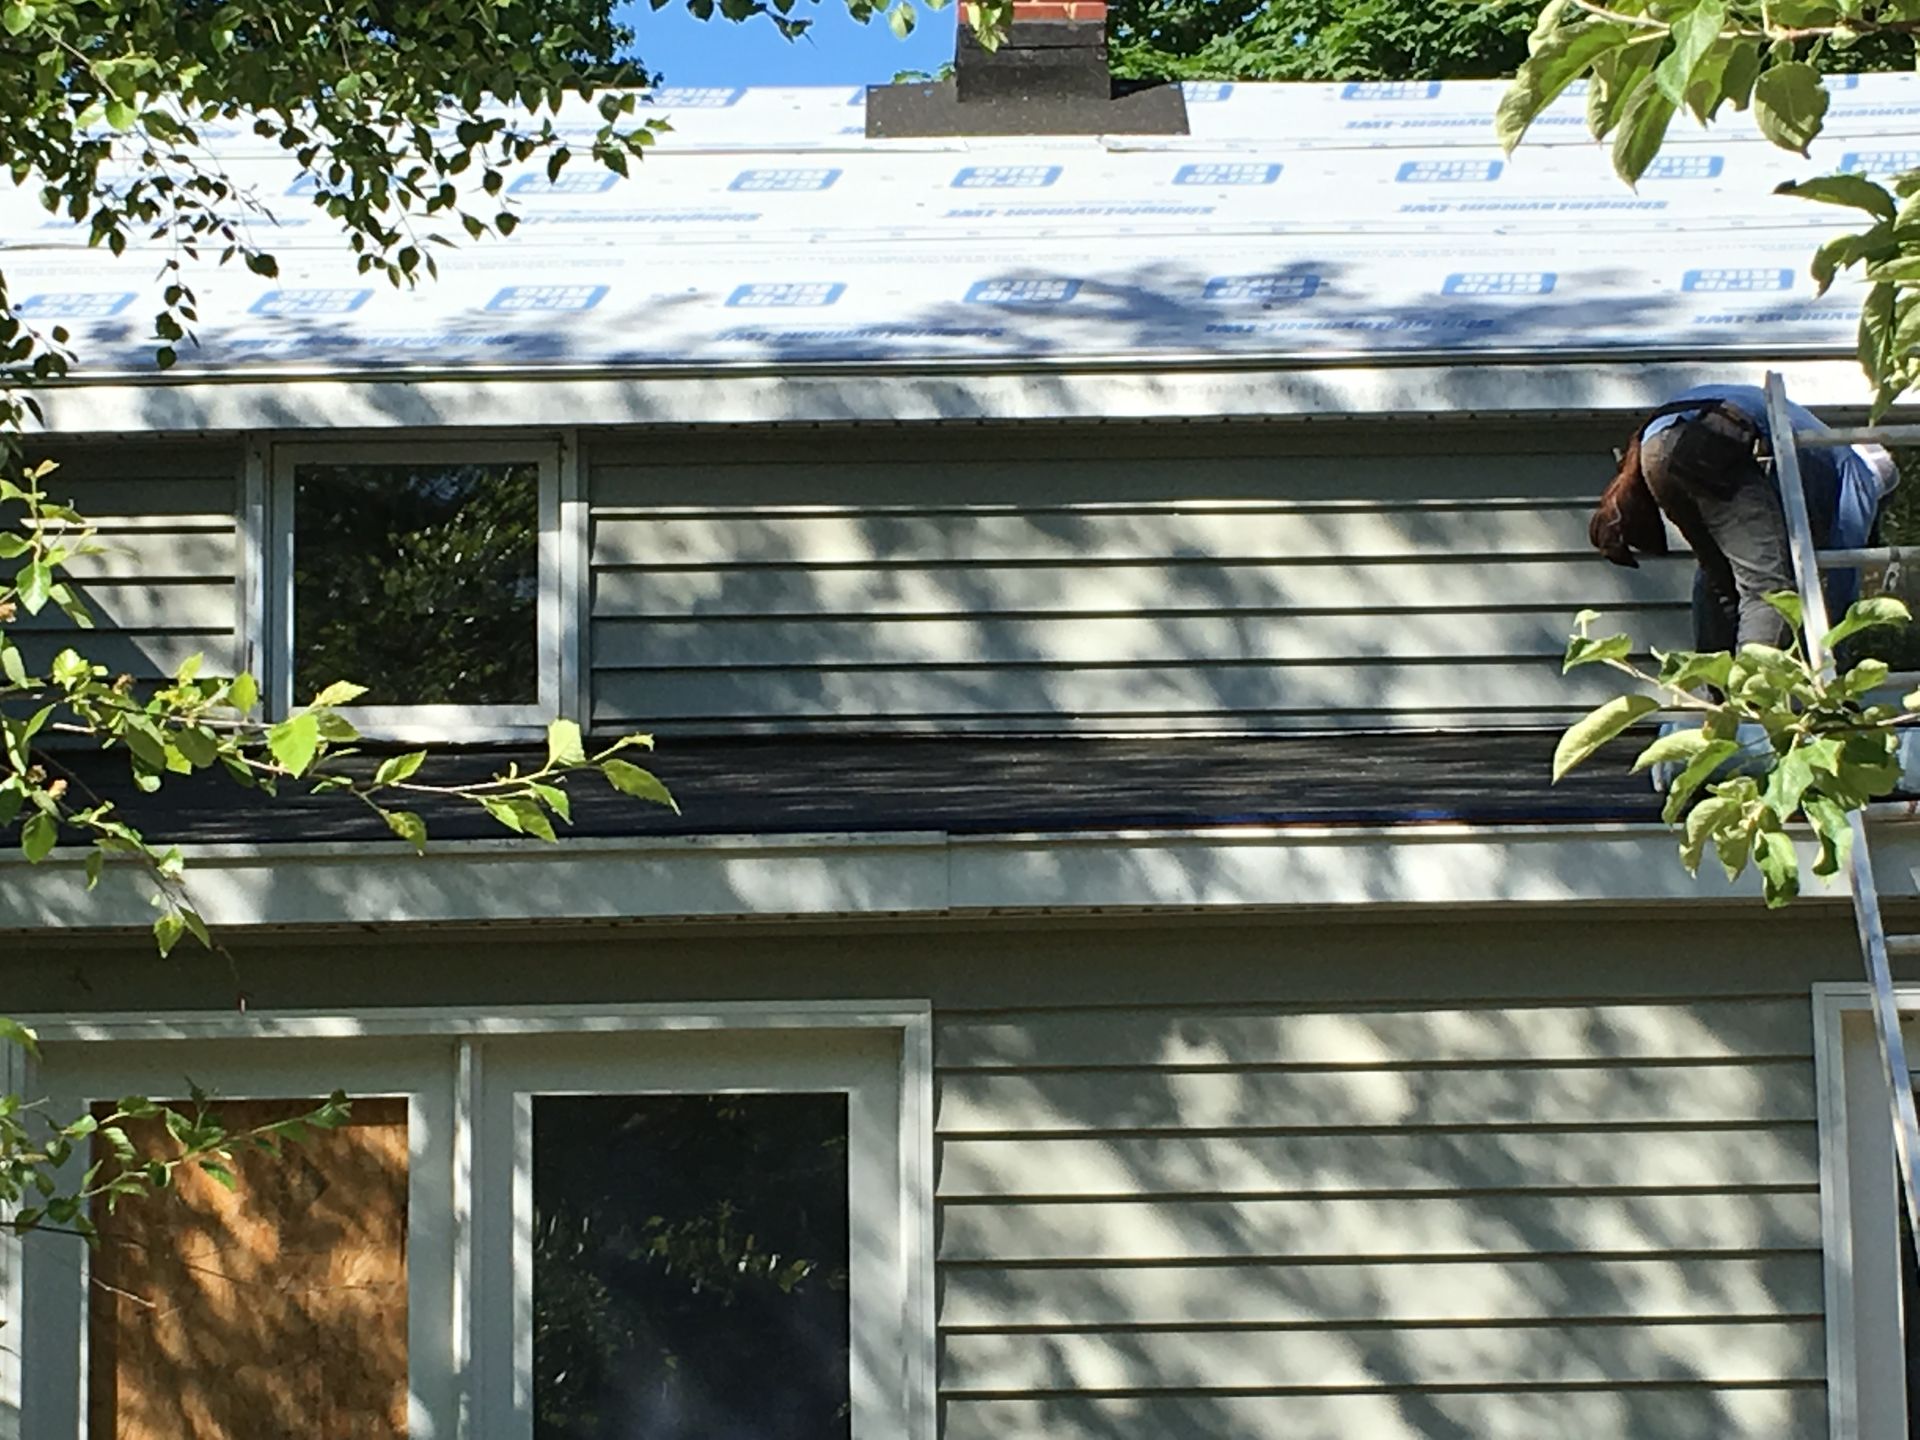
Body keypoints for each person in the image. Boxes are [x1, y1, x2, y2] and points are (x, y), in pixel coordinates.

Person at [1589, 382, 1898, 650]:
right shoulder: (1860, 474)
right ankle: (1757, 704)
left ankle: (1713, 701)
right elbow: (1843, 562)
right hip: (1710, 437)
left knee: (1721, 578)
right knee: (1770, 591)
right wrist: (1835, 651)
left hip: (1657, 442)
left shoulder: (1815, 455)